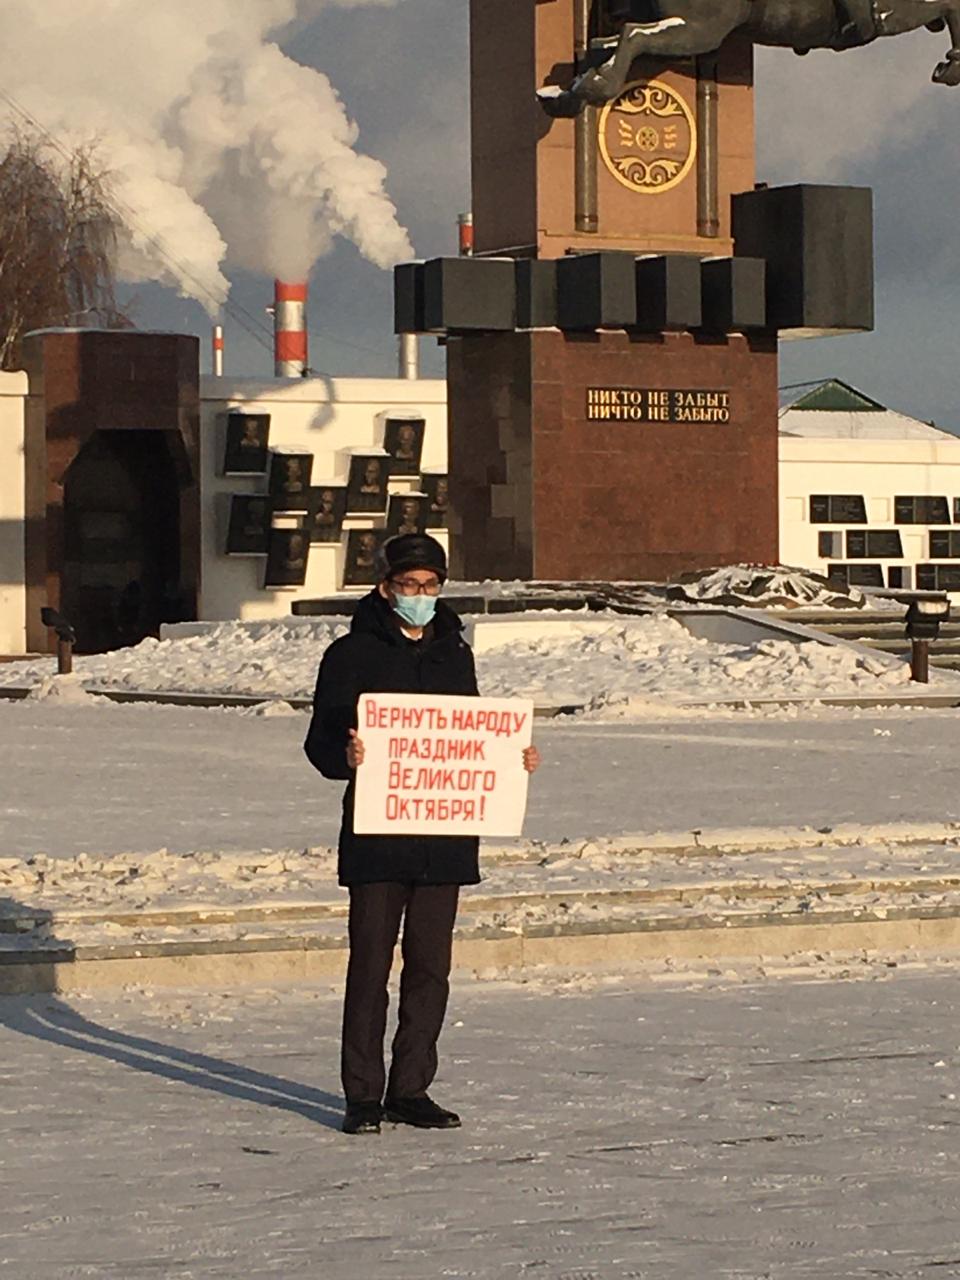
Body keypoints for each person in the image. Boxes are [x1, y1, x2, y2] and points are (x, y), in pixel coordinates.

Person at [304, 533, 540, 1136]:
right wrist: (346, 755)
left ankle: (411, 1088)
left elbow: (472, 734)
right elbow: (320, 742)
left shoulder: (454, 653)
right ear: (386, 588)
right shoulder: (350, 654)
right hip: (378, 836)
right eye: (410, 585)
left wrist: (513, 758)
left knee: (431, 968)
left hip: (445, 836)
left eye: (431, 585)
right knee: (370, 967)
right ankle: (363, 1095)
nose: (421, 595)